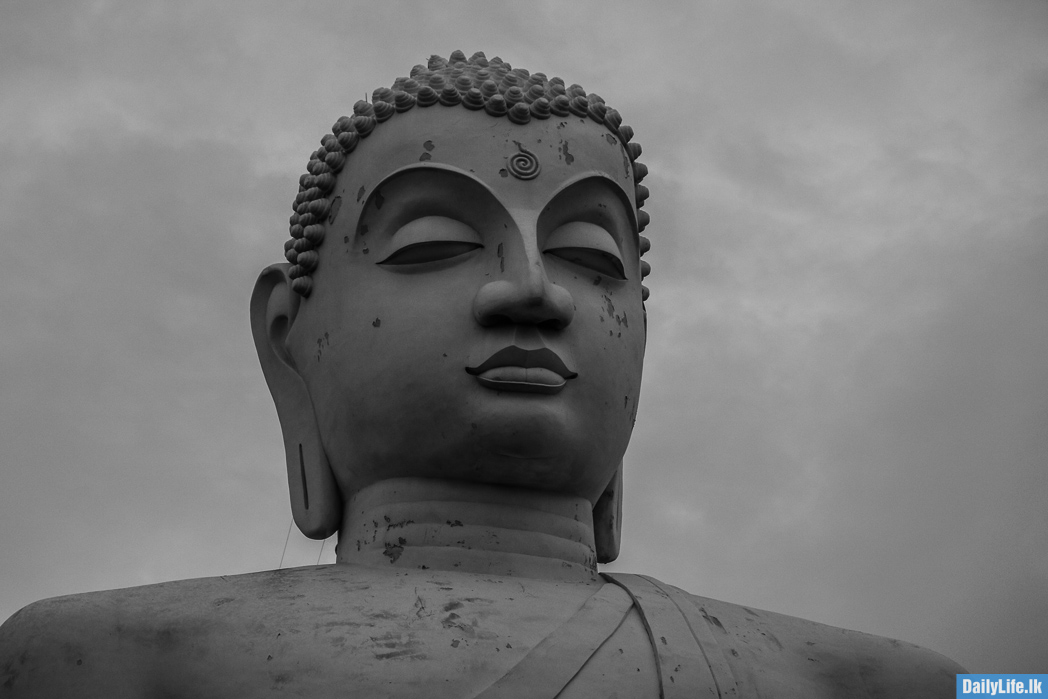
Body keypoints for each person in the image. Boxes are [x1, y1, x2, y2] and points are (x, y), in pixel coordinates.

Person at [0, 51, 964, 698]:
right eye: (433, 242)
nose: (532, 291)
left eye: (592, 256)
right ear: (291, 341)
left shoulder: (873, 679)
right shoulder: (108, 659)